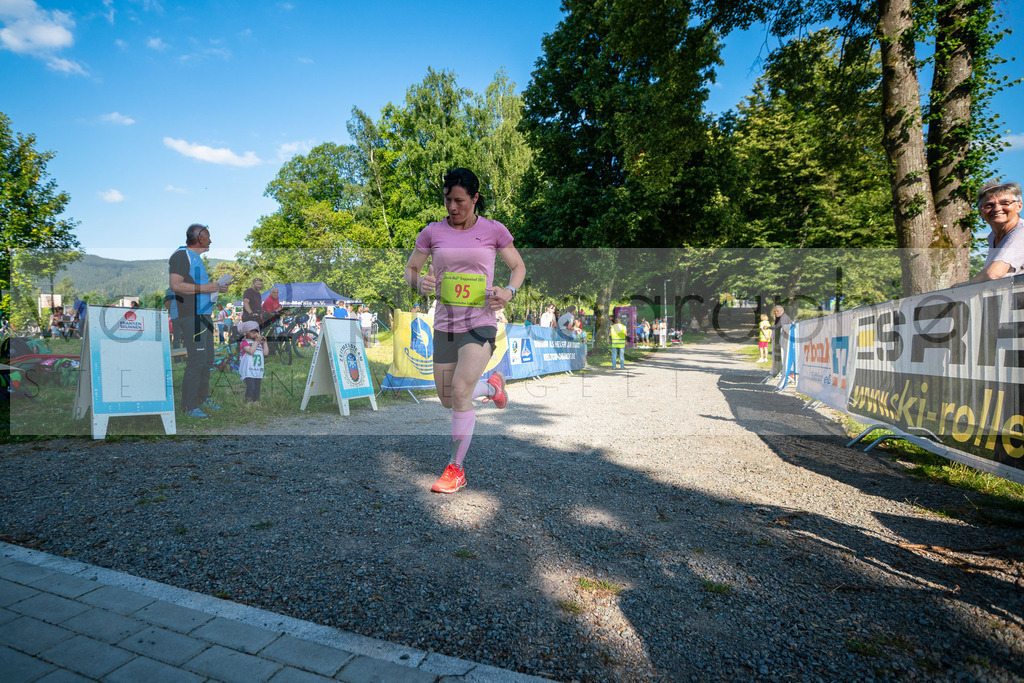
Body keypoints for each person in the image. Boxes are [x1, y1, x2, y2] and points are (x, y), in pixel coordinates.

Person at [404, 167, 526, 494]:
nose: (453, 207)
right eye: (448, 200)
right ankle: (491, 386)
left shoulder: (494, 230)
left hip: (481, 321)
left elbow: (518, 267)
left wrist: (508, 292)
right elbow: (411, 270)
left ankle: (456, 469)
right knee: (448, 399)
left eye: (460, 201)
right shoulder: (432, 233)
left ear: (475, 198)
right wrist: (420, 282)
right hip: (445, 324)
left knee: (459, 390)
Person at [169, 223, 230, 419]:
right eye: (208, 236)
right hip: (189, 315)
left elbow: (199, 286)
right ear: (198, 237)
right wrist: (206, 288)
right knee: (197, 360)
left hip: (203, 315)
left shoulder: (196, 259)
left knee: (207, 359)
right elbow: (176, 285)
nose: (211, 240)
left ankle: (203, 399)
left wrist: (217, 288)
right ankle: (189, 405)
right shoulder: (181, 255)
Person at [963, 181, 1024, 284]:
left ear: (1019, 206)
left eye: (1005, 203)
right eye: (989, 205)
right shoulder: (992, 237)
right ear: (980, 212)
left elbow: (994, 273)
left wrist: (966, 286)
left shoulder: (1021, 232)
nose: (997, 209)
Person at [236, 320, 268, 403]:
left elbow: (265, 353)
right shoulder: (244, 342)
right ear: (245, 333)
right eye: (252, 332)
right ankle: (247, 401)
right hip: (248, 370)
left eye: (256, 332)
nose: (255, 334)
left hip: (257, 369)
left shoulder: (258, 344)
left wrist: (264, 343)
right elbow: (250, 351)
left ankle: (255, 401)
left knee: (257, 387)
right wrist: (257, 342)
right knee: (251, 386)